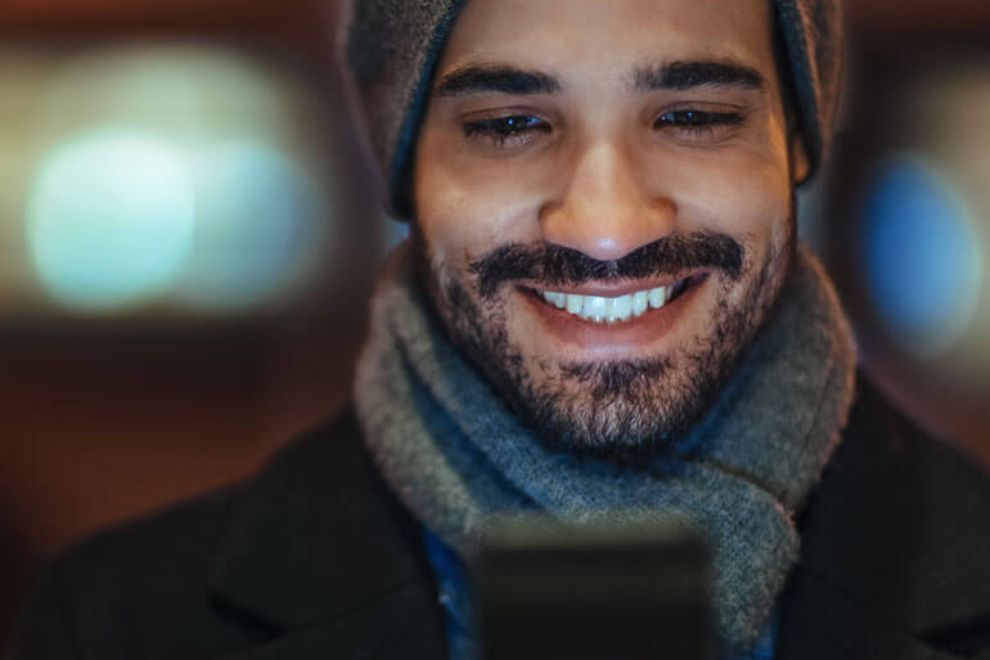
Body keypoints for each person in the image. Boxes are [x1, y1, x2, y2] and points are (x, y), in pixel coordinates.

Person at [11, 0, 990, 658]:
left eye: (691, 115)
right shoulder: (109, 624)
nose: (607, 226)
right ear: (406, 176)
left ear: (797, 147)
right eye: (510, 126)